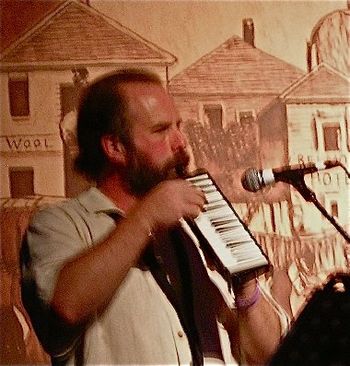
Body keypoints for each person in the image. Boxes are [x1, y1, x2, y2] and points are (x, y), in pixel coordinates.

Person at [21, 69, 289, 365]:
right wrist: (146, 218)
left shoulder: (197, 229)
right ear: (115, 147)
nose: (180, 142)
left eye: (178, 126)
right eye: (161, 130)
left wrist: (245, 287)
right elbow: (65, 306)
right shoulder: (60, 224)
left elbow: (270, 356)